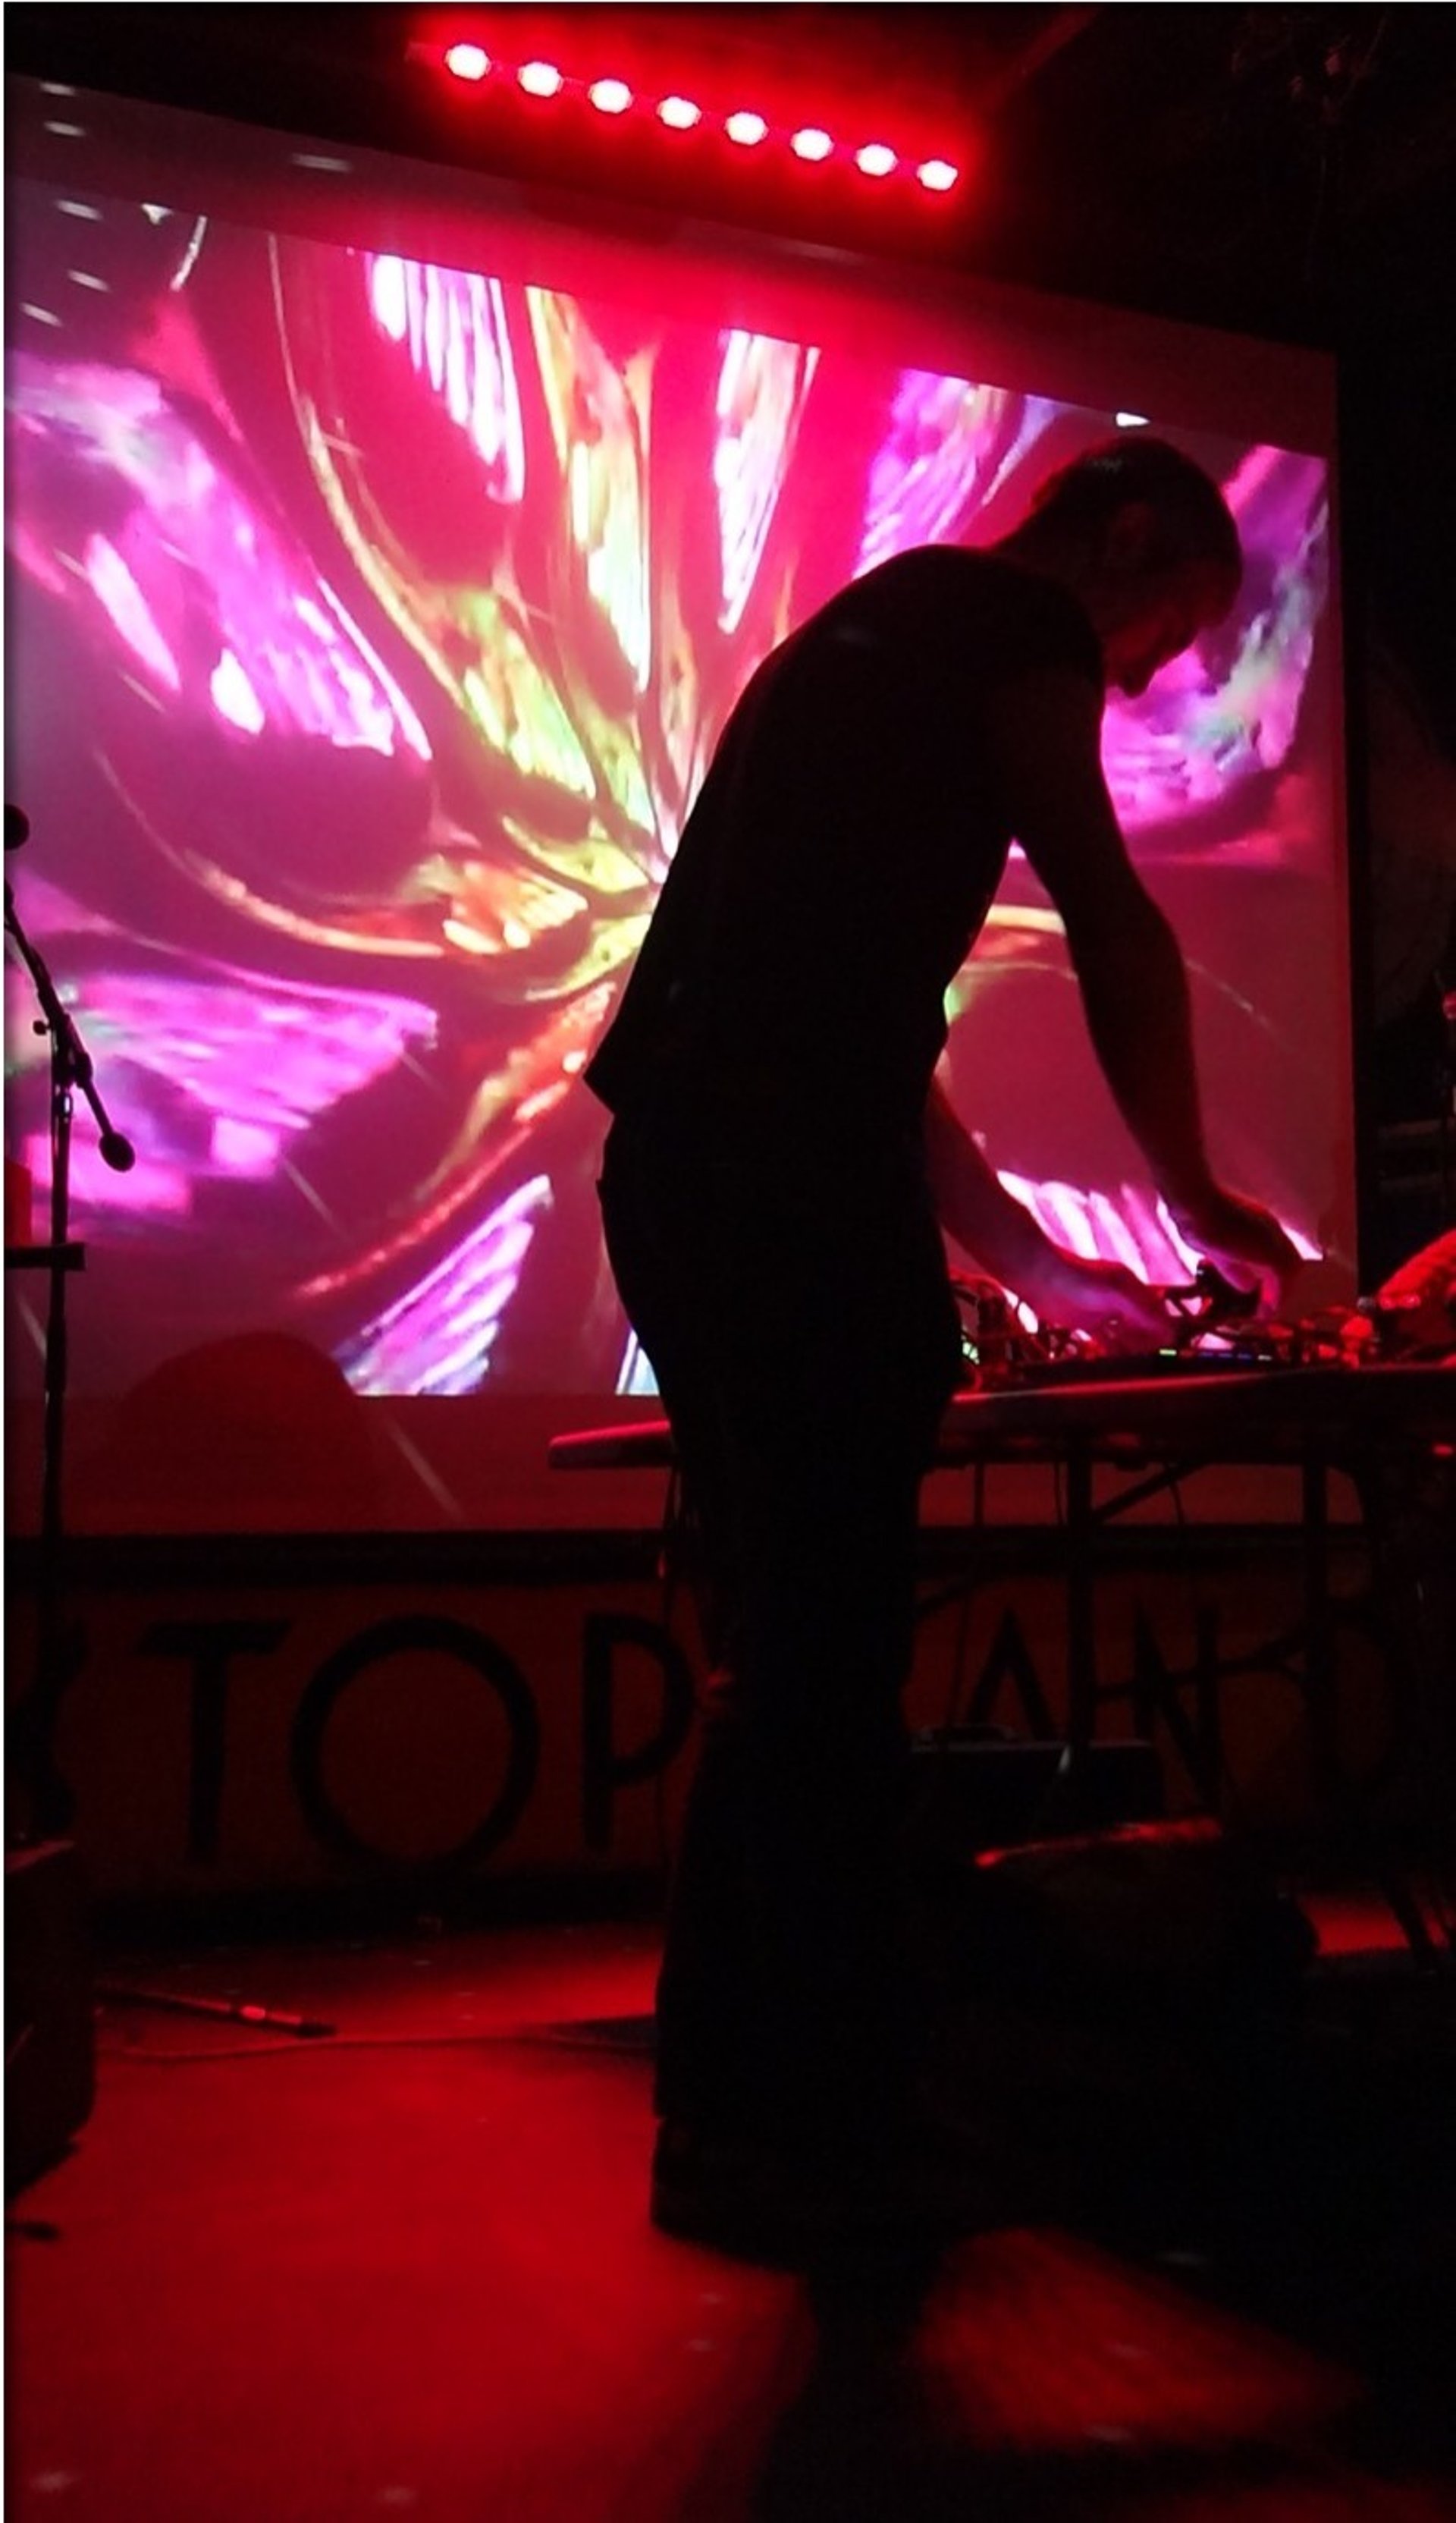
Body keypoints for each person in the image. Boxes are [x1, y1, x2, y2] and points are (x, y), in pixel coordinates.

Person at [585, 435, 1299, 2258]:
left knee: (793, 1651)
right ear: (1123, 543)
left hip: (682, 1174)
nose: (1131, 683)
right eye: (1156, 636)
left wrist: (1039, 1261)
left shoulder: (870, 635)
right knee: (822, 1660)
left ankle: (770, 2103)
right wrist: (1197, 1192)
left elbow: (857, 1042)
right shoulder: (1002, 622)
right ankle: (786, 2125)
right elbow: (1110, 909)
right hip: (775, 1191)